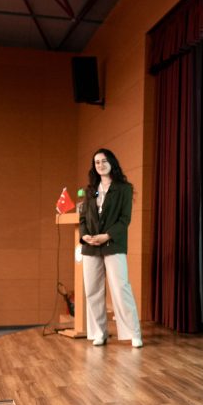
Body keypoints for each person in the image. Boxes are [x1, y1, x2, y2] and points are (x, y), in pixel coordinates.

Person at [80, 149, 143, 348]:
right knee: (92, 291)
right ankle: (99, 333)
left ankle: (133, 333)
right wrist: (84, 235)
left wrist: (106, 235)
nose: (100, 165)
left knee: (120, 288)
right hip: (91, 246)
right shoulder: (91, 190)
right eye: (97, 162)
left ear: (112, 162)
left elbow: (125, 220)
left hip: (113, 243)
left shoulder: (124, 188)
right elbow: (83, 218)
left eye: (104, 161)